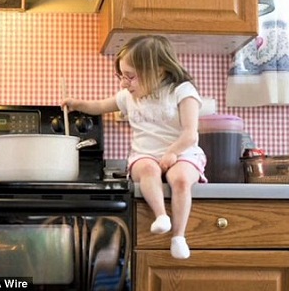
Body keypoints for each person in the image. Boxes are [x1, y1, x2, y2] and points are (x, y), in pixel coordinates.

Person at [62, 35, 207, 259]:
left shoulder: (183, 91)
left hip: (182, 152)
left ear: (158, 71)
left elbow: (190, 135)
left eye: (130, 76)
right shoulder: (129, 96)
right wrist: (78, 104)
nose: (123, 83)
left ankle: (179, 236)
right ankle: (161, 216)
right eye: (121, 76)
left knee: (180, 180)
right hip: (145, 155)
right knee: (148, 170)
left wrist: (172, 152)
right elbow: (100, 106)